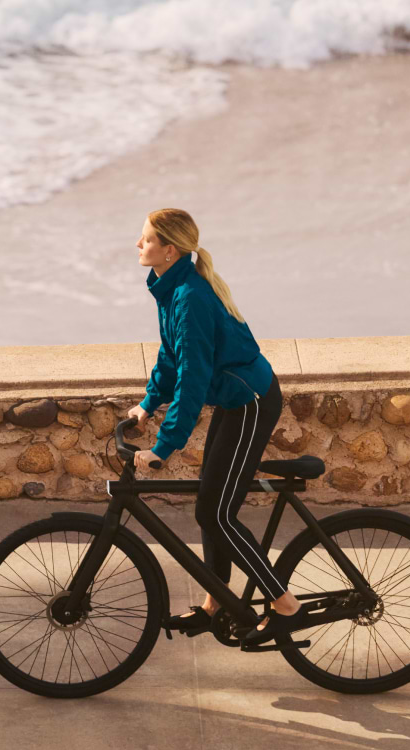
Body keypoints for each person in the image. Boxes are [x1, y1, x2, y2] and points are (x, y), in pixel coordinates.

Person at [119, 208, 306, 641]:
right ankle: (216, 601)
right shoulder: (172, 288)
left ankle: (285, 604)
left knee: (214, 512)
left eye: (145, 239)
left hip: (252, 403)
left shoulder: (190, 296)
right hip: (236, 399)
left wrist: (165, 447)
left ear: (170, 249)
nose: (138, 244)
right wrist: (148, 404)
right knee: (211, 505)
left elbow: (193, 377)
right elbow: (172, 355)